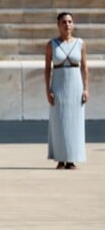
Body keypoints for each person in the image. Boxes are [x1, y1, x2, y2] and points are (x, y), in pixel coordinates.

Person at [44, 12, 88, 170]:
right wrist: (48, 89)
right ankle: (60, 159)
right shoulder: (52, 44)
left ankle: (72, 158)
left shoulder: (80, 43)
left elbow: (84, 67)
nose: (67, 25)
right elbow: (47, 68)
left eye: (69, 22)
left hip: (75, 85)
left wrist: (86, 89)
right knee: (59, 121)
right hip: (59, 84)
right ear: (58, 25)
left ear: (73, 24)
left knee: (74, 122)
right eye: (64, 22)